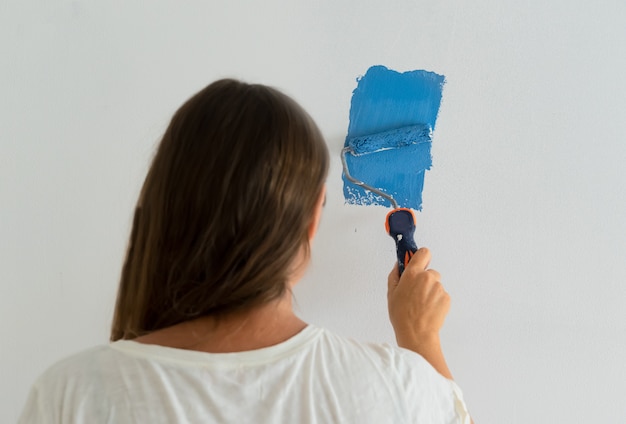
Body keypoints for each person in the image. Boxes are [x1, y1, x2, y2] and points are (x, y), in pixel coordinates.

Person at [19, 79, 471, 423]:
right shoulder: (393, 389)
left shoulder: (70, 396)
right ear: (313, 220)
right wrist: (420, 339)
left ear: (163, 211)